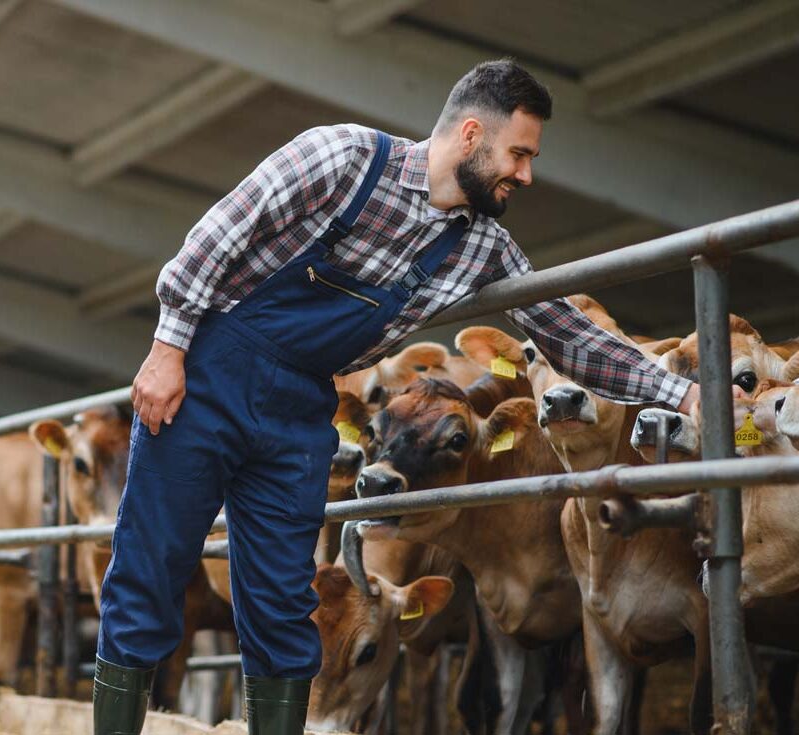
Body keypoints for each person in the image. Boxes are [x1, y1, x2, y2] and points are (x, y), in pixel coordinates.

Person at [91, 59, 699, 735]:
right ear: (472, 135)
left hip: (300, 410)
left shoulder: (483, 249)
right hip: (210, 376)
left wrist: (682, 391)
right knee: (151, 568)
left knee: (283, 603)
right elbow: (213, 238)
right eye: (519, 153)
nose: (526, 174)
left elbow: (571, 335)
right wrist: (168, 348)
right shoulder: (342, 157)